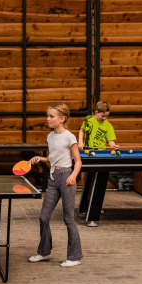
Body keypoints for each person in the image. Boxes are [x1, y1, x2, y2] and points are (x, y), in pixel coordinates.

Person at [28, 103, 83, 267]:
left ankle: (75, 257)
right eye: (48, 116)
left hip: (66, 177)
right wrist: (41, 158)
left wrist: (73, 176)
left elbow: (78, 162)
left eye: (51, 116)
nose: (48, 119)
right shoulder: (50, 136)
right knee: (43, 217)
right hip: (53, 178)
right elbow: (53, 158)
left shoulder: (69, 137)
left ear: (62, 118)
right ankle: (44, 252)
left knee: (68, 219)